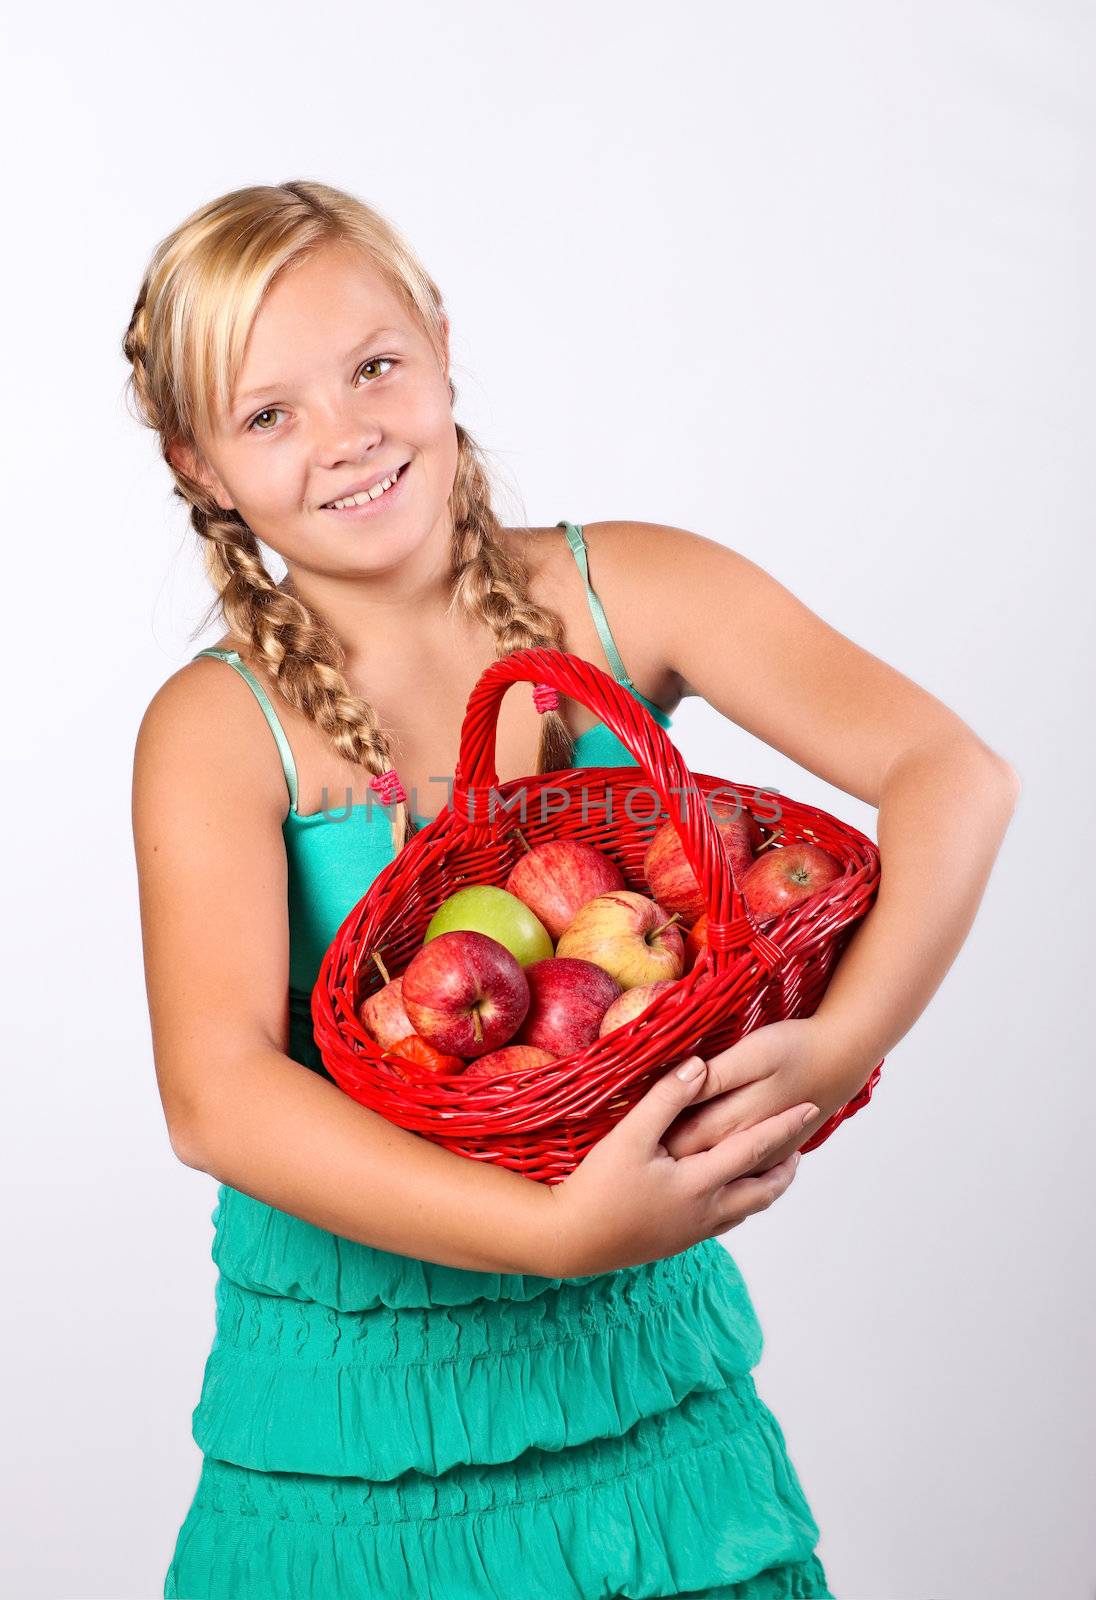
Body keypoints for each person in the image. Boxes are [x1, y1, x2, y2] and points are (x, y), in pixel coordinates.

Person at [127, 181, 1020, 1600]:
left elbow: (952, 775)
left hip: (638, 1379)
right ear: (200, 467)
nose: (347, 434)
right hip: (355, 1415)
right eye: (266, 413)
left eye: (372, 367)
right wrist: (553, 1236)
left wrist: (835, 1051)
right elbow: (216, 1096)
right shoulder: (214, 728)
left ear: (438, 342)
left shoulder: (626, 595)